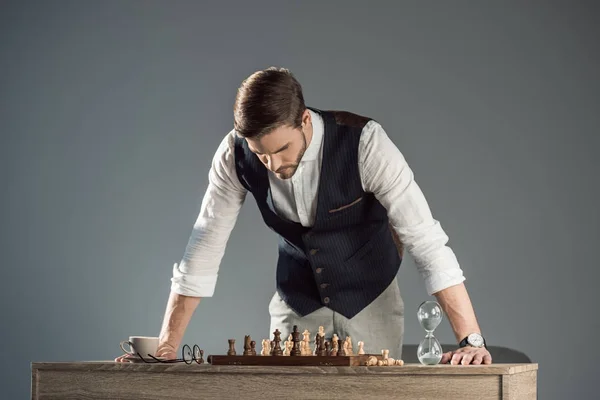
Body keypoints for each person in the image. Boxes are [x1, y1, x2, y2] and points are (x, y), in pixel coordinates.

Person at [116, 67, 492, 365]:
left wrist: (470, 339)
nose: (274, 164)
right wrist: (165, 346)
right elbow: (205, 242)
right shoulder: (233, 155)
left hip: (370, 298)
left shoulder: (366, 143)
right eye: (261, 154)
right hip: (295, 302)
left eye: (282, 149)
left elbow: (426, 240)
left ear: (305, 121)